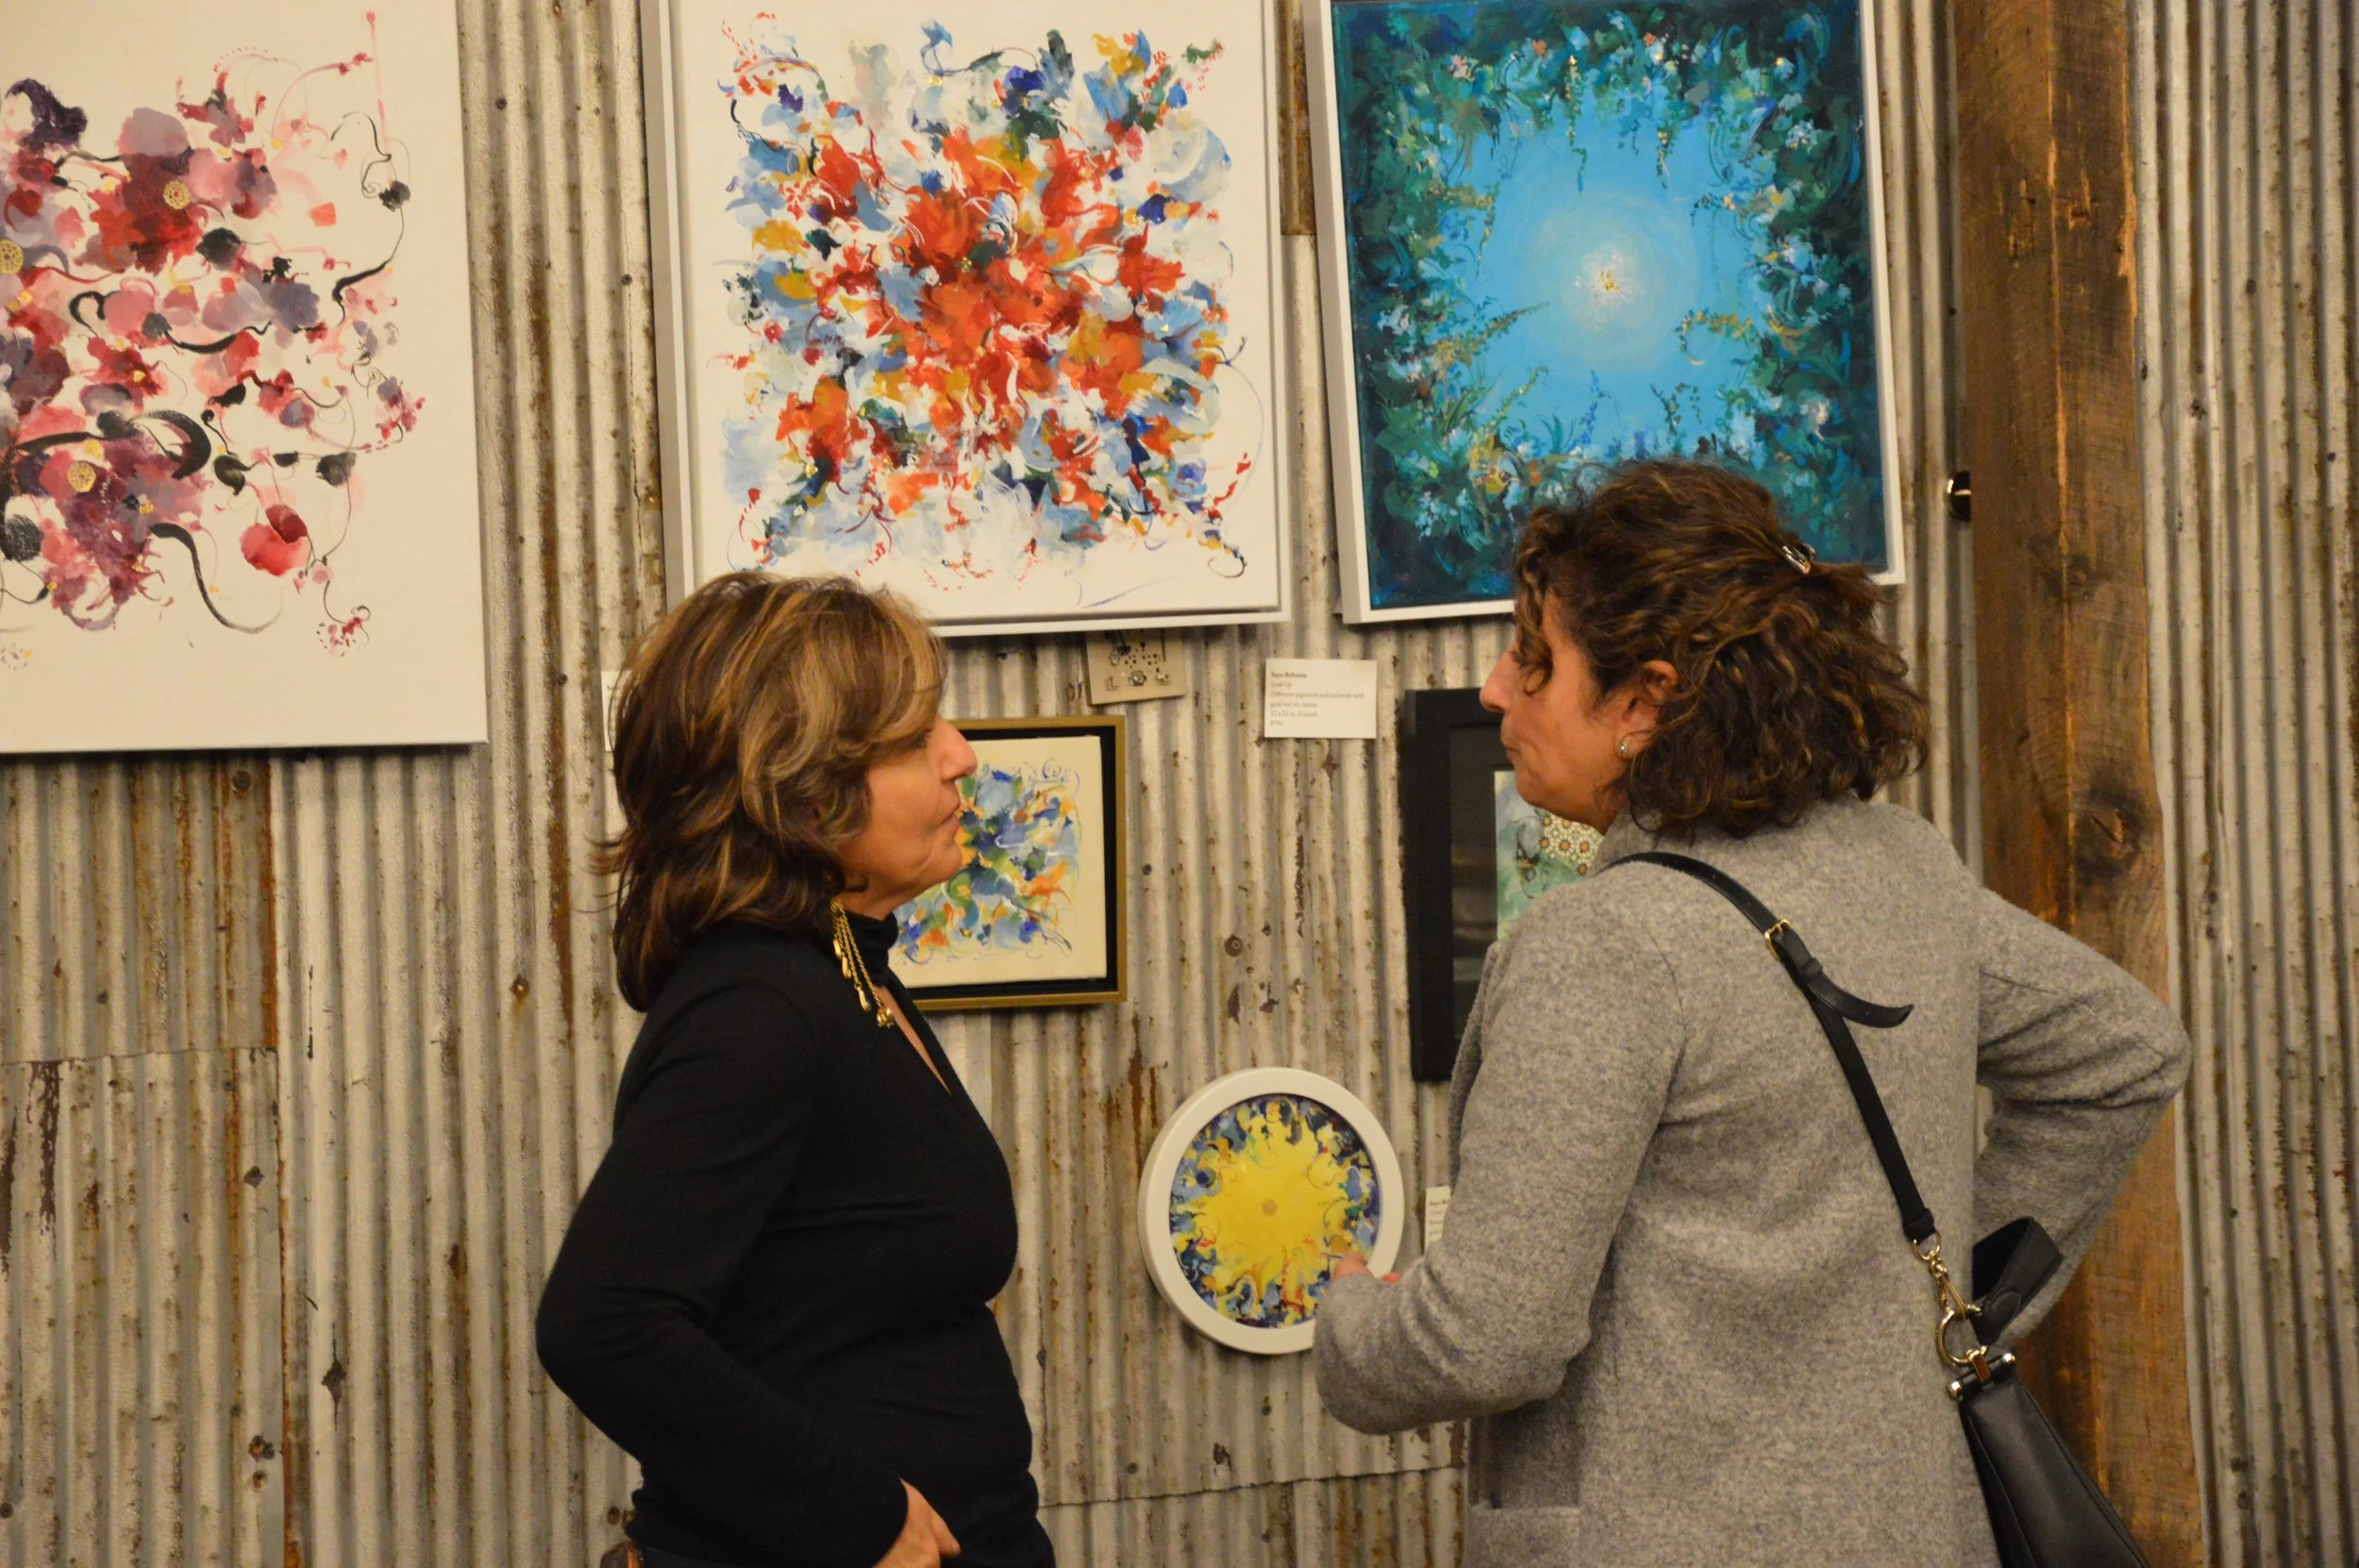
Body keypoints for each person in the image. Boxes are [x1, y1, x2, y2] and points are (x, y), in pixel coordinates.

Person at [1313, 461, 2189, 1566]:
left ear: (1643, 704)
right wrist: (1943, 1302)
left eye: (1534, 660)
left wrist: (1347, 1322)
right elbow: (2125, 1053)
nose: (1494, 689)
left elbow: (1486, 1341)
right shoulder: (1899, 869)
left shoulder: (1603, 947)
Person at [537, 574, 1053, 1568]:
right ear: (799, 789)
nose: (961, 756)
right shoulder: (758, 1008)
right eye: (912, 741)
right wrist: (856, 1513)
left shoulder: (846, 969)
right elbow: (604, 1323)